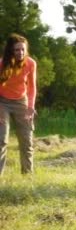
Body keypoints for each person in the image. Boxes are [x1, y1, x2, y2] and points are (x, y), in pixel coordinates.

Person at [0, 33, 37, 175]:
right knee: (1, 140)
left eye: (23, 49)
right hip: (2, 102)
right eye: (17, 50)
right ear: (11, 51)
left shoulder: (31, 63)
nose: (20, 53)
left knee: (27, 141)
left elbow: (32, 87)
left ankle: (27, 175)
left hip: (22, 101)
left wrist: (30, 107)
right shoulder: (2, 64)